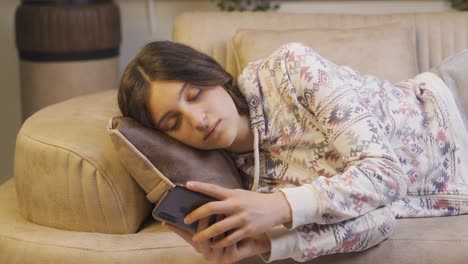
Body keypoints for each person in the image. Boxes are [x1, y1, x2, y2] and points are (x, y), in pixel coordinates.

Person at [117, 40, 468, 264]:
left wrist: (280, 207)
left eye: (194, 95)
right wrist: (268, 245)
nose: (197, 119)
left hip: (455, 100)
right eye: (173, 122)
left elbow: (386, 175)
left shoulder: (288, 70)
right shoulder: (253, 190)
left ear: (212, 75)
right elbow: (379, 221)